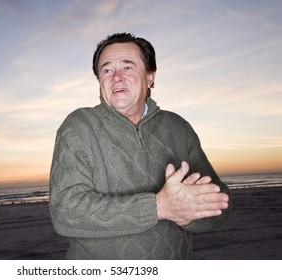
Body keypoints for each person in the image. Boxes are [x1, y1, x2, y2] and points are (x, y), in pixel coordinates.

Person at [49, 33, 232, 259]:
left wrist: (188, 216)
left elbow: (220, 201)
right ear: (99, 81)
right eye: (106, 70)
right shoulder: (79, 127)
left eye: (128, 68)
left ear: (150, 77)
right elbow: (66, 212)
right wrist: (159, 207)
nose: (116, 77)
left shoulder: (178, 128)